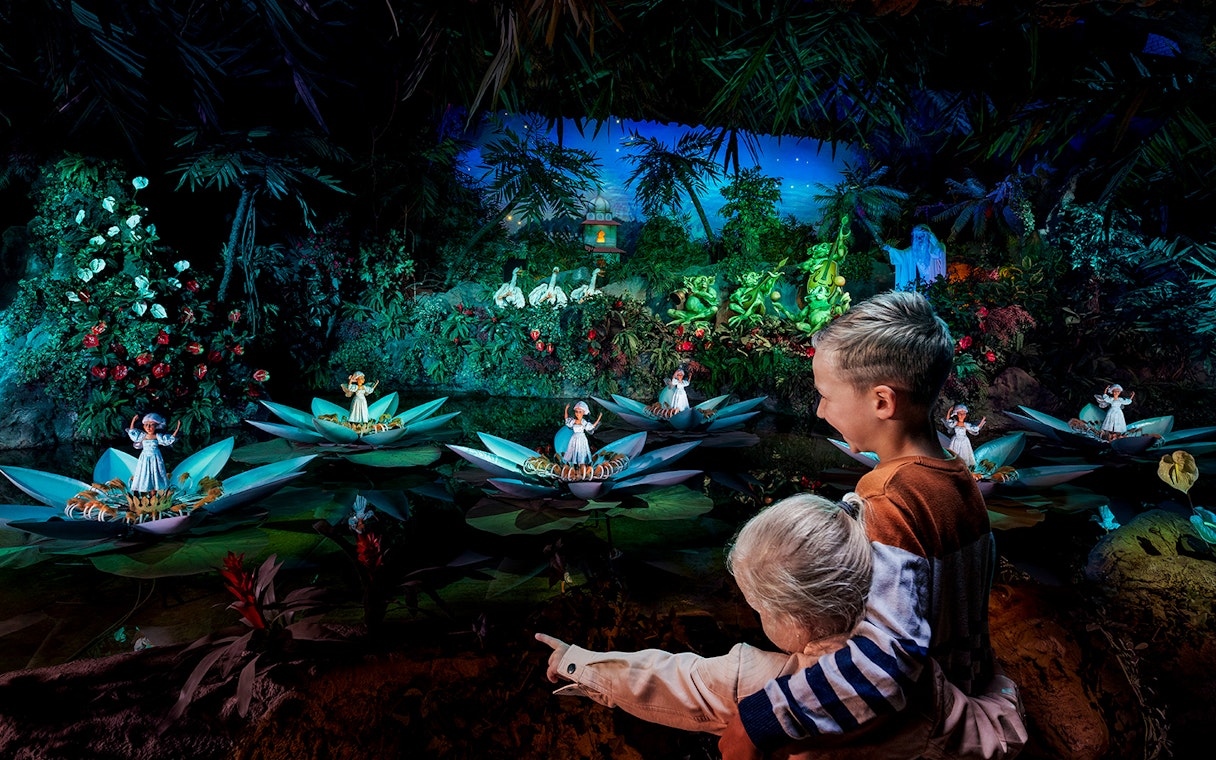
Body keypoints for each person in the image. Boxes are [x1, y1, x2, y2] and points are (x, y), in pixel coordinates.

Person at [718, 290, 1002, 759]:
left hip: (914, 732)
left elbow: (889, 658)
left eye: (826, 395)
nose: (820, 411)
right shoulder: (959, 480)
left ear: (882, 402)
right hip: (962, 696)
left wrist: (763, 719)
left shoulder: (887, 498)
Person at [536, 493, 1025, 759]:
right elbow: (1000, 734)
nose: (757, 618)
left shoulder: (770, 685)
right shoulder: (916, 668)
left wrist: (579, 662)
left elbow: (675, 680)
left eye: (758, 610)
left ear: (792, 621)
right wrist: (1001, 686)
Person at [127, 413, 181, 493]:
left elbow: (169, 439)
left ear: (156, 426)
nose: (148, 427)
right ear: (143, 426)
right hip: (145, 458)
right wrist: (133, 421)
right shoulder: (142, 436)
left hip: (155, 458)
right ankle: (145, 492)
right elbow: (132, 433)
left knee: (155, 475)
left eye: (151, 425)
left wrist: (177, 428)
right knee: (144, 473)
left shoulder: (158, 436)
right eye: (146, 425)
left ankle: (154, 493)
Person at [944, 403, 986, 468]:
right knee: (954, 452)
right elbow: (948, 421)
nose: (961, 415)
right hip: (955, 440)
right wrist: (949, 410)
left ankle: (963, 465)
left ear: (965, 415)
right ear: (956, 414)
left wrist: (982, 421)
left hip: (964, 440)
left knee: (964, 453)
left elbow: (975, 429)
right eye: (960, 413)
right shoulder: (955, 423)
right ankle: (953, 464)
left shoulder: (966, 424)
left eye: (963, 414)